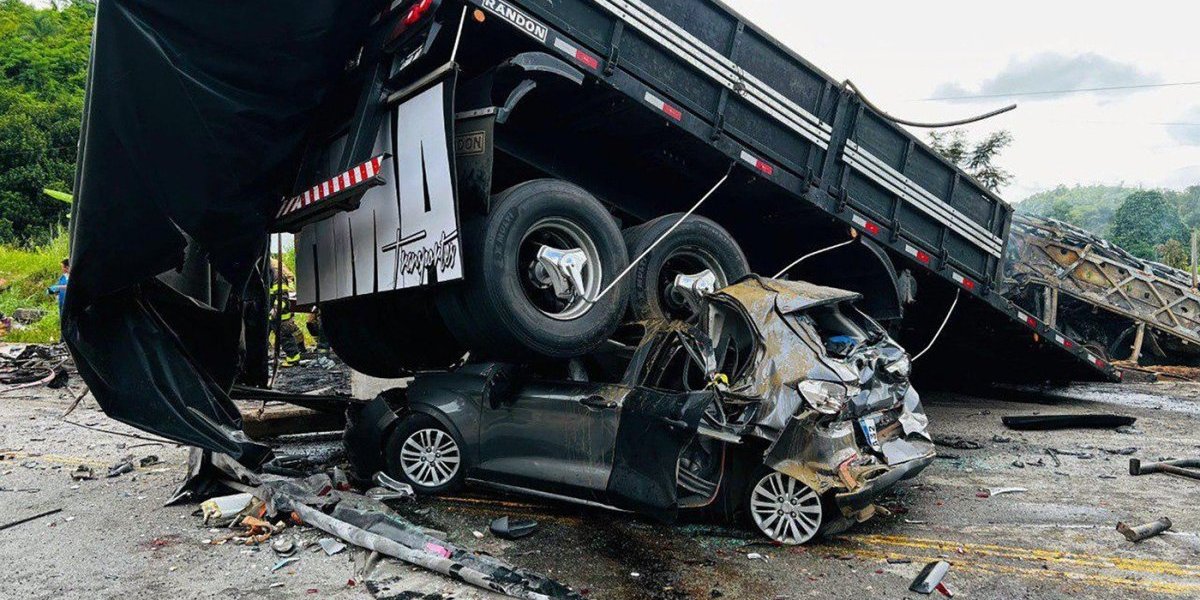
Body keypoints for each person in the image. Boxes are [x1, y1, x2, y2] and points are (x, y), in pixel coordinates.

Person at [270, 259, 306, 368]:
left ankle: (293, 358)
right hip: (274, 313)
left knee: (285, 336)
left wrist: (274, 311)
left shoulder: (277, 276)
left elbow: (282, 298)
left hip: (280, 315)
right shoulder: (271, 273)